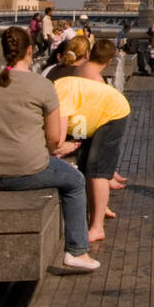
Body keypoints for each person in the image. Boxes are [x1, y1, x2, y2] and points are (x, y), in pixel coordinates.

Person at [0, 27, 98, 272]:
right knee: (75, 181)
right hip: (27, 169)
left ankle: (77, 251)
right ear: (30, 50)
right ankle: (77, 252)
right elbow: (53, 139)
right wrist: (55, 147)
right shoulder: (42, 85)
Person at [53, 39, 131, 243]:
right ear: (109, 60)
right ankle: (97, 208)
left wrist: (57, 147)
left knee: (96, 170)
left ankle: (97, 227)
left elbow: (59, 136)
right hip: (87, 116)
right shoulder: (69, 84)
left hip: (112, 115)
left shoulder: (61, 90)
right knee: (86, 163)